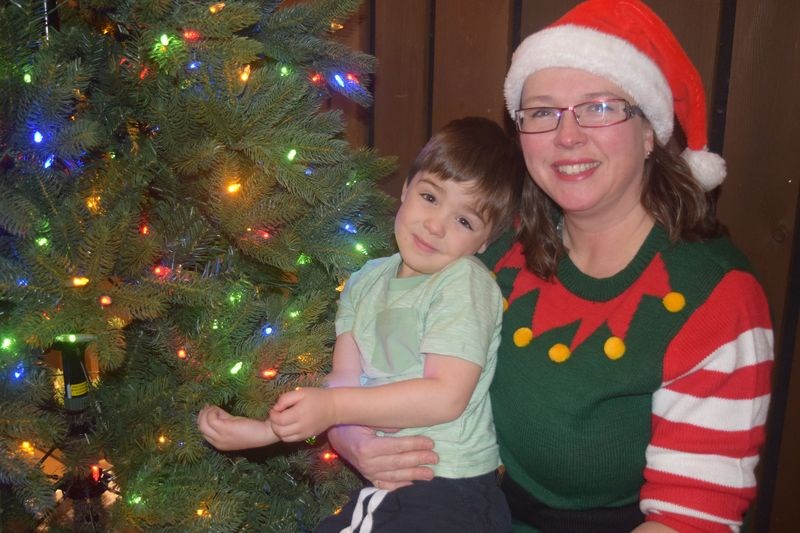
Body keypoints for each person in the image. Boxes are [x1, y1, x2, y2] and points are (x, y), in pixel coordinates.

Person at [325, 1, 775, 532]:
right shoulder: (487, 242)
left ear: (650, 131)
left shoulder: (717, 299)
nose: (567, 136)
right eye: (542, 112)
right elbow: (377, 348)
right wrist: (350, 434)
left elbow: (693, 517)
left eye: (600, 107)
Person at [199, 116, 526, 532]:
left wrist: (333, 408)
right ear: (406, 189)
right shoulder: (365, 281)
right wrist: (267, 431)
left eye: (464, 221)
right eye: (430, 197)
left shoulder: (464, 282)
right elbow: (344, 383)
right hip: (387, 486)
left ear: (482, 243)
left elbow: (445, 396)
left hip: (448, 488)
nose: (435, 225)